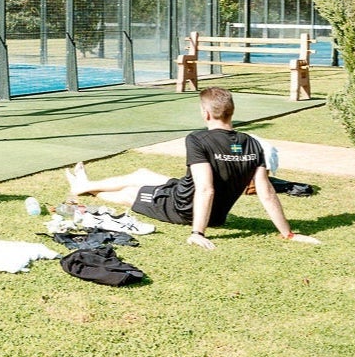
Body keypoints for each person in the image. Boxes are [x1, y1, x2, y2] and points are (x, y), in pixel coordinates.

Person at [64, 86, 318, 250]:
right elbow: (267, 192)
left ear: (205, 113)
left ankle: (82, 188)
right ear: (231, 112)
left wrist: (198, 232)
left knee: (129, 193)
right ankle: (84, 184)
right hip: (200, 203)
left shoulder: (198, 139)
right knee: (142, 174)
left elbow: (206, 189)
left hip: (182, 208)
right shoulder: (252, 142)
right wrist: (288, 233)